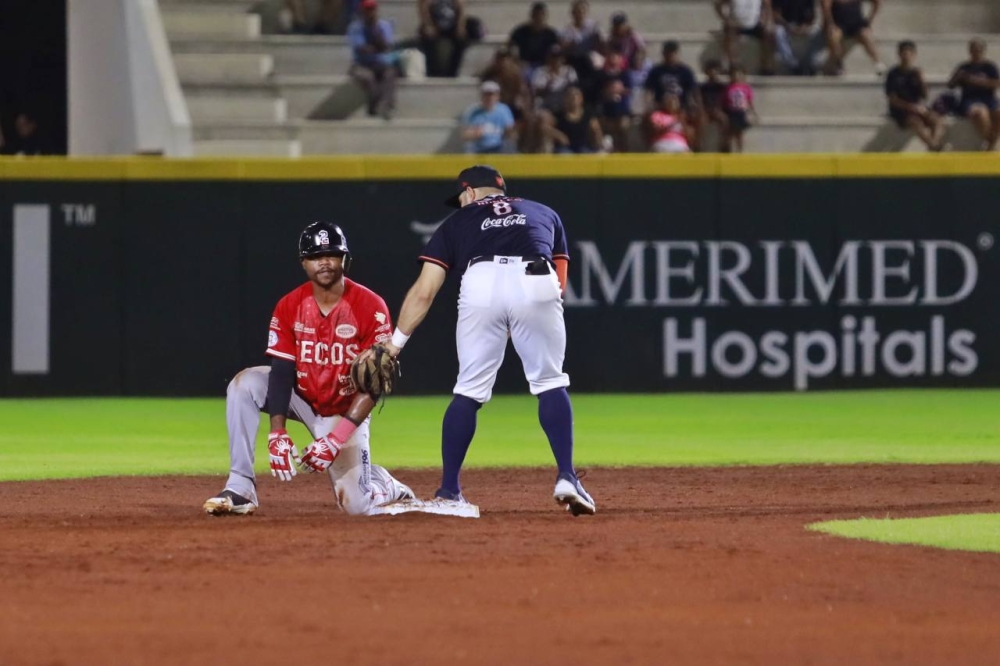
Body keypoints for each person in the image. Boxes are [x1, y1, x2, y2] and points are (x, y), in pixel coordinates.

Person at [379, 165, 595, 516]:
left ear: (470, 192)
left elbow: (425, 290)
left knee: (469, 390)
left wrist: (395, 344)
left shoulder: (456, 222)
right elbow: (560, 283)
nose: (461, 202)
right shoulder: (544, 212)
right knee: (550, 381)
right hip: (536, 276)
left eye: (461, 197)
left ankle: (449, 491)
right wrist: (524, 312)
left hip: (480, 279)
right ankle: (567, 477)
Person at [203, 222, 415, 517]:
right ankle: (240, 487)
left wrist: (335, 439)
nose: (325, 262)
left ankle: (384, 484)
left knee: (356, 506)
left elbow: (374, 383)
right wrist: (277, 432)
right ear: (304, 263)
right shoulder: (289, 305)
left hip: (343, 408)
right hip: (301, 397)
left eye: (332, 254)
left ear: (345, 259)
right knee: (243, 384)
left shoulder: (370, 306)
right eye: (316, 256)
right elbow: (281, 371)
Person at [886, 41, 944, 151]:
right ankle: (934, 146)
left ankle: (934, 145)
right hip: (901, 109)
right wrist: (911, 107)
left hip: (917, 107)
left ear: (914, 55)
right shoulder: (893, 74)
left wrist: (922, 80)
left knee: (937, 119)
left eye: (909, 53)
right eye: (904, 53)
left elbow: (925, 95)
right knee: (915, 122)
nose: (907, 56)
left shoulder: (916, 73)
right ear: (899, 54)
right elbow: (892, 100)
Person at [347, 0, 397, 119]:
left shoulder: (384, 25)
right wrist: (377, 48)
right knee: (369, 77)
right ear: (362, 11)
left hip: (380, 63)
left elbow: (387, 47)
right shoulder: (355, 27)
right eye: (367, 9)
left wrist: (376, 30)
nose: (370, 12)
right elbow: (362, 49)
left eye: (372, 9)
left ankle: (385, 107)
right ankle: (373, 107)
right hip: (361, 64)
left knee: (390, 74)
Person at [948, 39, 1000, 151]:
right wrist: (957, 77)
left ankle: (991, 145)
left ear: (984, 51)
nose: (976, 52)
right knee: (981, 113)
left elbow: (996, 83)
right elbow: (950, 85)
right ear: (970, 51)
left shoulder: (990, 67)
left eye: (979, 50)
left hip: (988, 99)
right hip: (970, 100)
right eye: (974, 50)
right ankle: (990, 141)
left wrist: (975, 80)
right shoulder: (964, 67)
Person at [820, 0, 885, 76]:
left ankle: (878, 63)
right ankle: (838, 63)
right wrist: (830, 23)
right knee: (834, 36)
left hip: (856, 23)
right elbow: (825, 7)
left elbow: (877, 3)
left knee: (866, 34)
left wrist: (869, 21)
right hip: (839, 23)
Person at [714, 0, 777, 75]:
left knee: (769, 35)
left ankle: (766, 67)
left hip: (755, 24)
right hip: (736, 24)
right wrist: (726, 19)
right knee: (730, 34)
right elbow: (718, 4)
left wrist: (767, 22)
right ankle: (733, 65)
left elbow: (767, 6)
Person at [461, 80, 516, 154]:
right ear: (481, 96)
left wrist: (509, 132)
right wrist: (474, 134)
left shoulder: (504, 110)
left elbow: (510, 130)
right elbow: (465, 135)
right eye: (486, 95)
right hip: (478, 148)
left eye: (492, 95)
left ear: (497, 96)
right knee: (469, 147)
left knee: (509, 146)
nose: (489, 98)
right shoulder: (473, 111)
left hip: (498, 148)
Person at [644, 41, 700, 113]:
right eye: (667, 55)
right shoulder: (656, 71)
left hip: (681, 108)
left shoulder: (685, 71)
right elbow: (648, 89)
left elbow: (694, 90)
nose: (670, 58)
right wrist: (649, 105)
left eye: (672, 55)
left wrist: (699, 107)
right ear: (663, 54)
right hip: (661, 107)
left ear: (677, 54)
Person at [544, 85, 604, 153]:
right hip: (564, 148)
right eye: (569, 96)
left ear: (581, 98)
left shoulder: (588, 114)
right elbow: (545, 128)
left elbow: (596, 130)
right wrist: (558, 135)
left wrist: (598, 142)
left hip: (583, 147)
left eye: (575, 96)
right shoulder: (558, 115)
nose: (573, 98)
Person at [418, 0, 469, 77]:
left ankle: (452, 72)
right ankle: (432, 72)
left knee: (462, 39)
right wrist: (428, 24)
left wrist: (460, 26)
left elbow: (461, 7)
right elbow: (423, 7)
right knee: (426, 37)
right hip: (434, 22)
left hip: (452, 23)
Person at [772, 0, 821, 75]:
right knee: (778, 32)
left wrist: (805, 27)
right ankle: (792, 65)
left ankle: (808, 64)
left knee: (817, 31)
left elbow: (812, 15)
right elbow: (776, 14)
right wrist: (788, 27)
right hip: (786, 25)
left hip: (803, 26)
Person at [508, 2, 560, 71]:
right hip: (524, 66)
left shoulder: (551, 34)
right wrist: (517, 62)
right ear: (531, 16)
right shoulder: (520, 32)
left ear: (545, 16)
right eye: (536, 15)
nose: (538, 18)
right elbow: (510, 48)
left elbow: (556, 53)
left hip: (544, 67)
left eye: (541, 15)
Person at [531, 44, 579, 114]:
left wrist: (569, 86)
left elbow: (575, 89)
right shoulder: (540, 72)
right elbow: (535, 92)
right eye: (553, 57)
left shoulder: (569, 71)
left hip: (564, 106)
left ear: (563, 58)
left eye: (559, 57)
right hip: (547, 105)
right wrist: (547, 86)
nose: (556, 60)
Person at [723, 65, 758, 152]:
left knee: (739, 133)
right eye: (733, 75)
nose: (736, 77)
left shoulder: (746, 88)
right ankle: (729, 149)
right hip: (731, 112)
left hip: (741, 112)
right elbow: (724, 100)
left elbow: (749, 101)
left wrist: (753, 112)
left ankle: (740, 150)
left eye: (738, 75)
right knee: (730, 133)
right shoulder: (728, 88)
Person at [700, 59, 730, 151]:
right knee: (701, 121)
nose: (713, 73)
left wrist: (719, 109)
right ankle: (700, 146)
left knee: (724, 120)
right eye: (710, 70)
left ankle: (724, 145)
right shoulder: (702, 87)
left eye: (715, 70)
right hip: (706, 110)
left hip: (718, 110)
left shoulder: (722, 86)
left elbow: (725, 100)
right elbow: (699, 100)